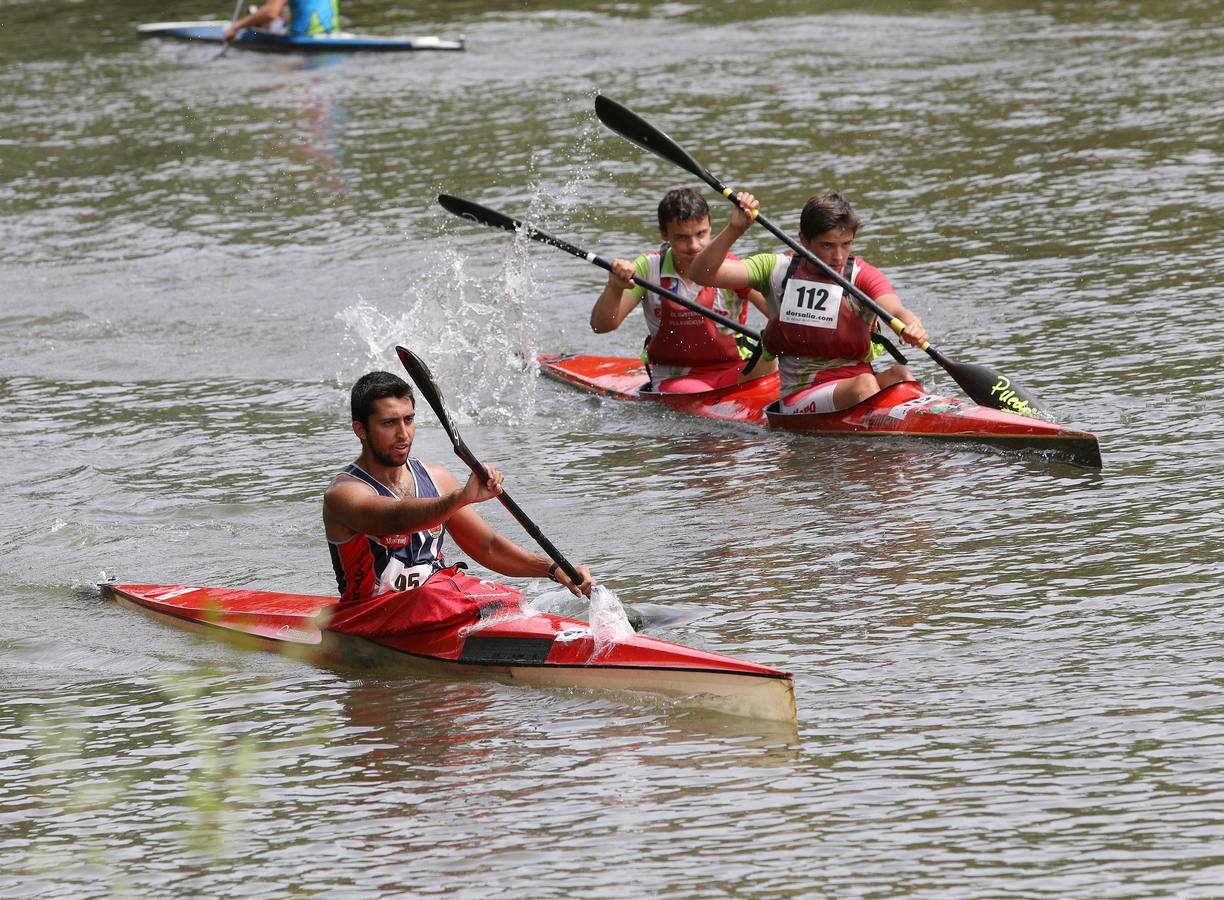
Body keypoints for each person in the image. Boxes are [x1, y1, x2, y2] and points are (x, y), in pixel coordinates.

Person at [322, 371, 592, 638]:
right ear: (361, 430)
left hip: (441, 603)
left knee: (504, 597)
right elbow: (397, 517)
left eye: (409, 419)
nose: (403, 434)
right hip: (369, 616)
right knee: (434, 596)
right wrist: (460, 498)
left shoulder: (437, 478)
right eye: (389, 423)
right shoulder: (344, 494)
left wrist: (554, 570)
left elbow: (488, 546)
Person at [688, 191, 929, 414]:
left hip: (858, 387)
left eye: (846, 244)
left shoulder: (861, 274)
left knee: (901, 376)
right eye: (827, 245)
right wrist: (735, 229)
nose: (838, 256)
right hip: (801, 395)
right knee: (865, 385)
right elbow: (701, 274)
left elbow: (896, 309)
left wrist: (911, 325)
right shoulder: (775, 269)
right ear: (804, 240)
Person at [590, 188, 777, 393]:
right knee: (689, 389)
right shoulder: (647, 268)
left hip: (738, 370)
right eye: (682, 237)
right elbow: (602, 326)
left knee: (771, 359)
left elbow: (777, 315)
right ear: (664, 234)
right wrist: (615, 287)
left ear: (710, 227)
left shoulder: (731, 267)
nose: (694, 245)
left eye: (701, 234)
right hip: (679, 379)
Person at [223, 0, 340, 41]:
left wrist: (236, 27)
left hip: (303, 40)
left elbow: (270, 13)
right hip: (334, 36)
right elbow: (309, 8)